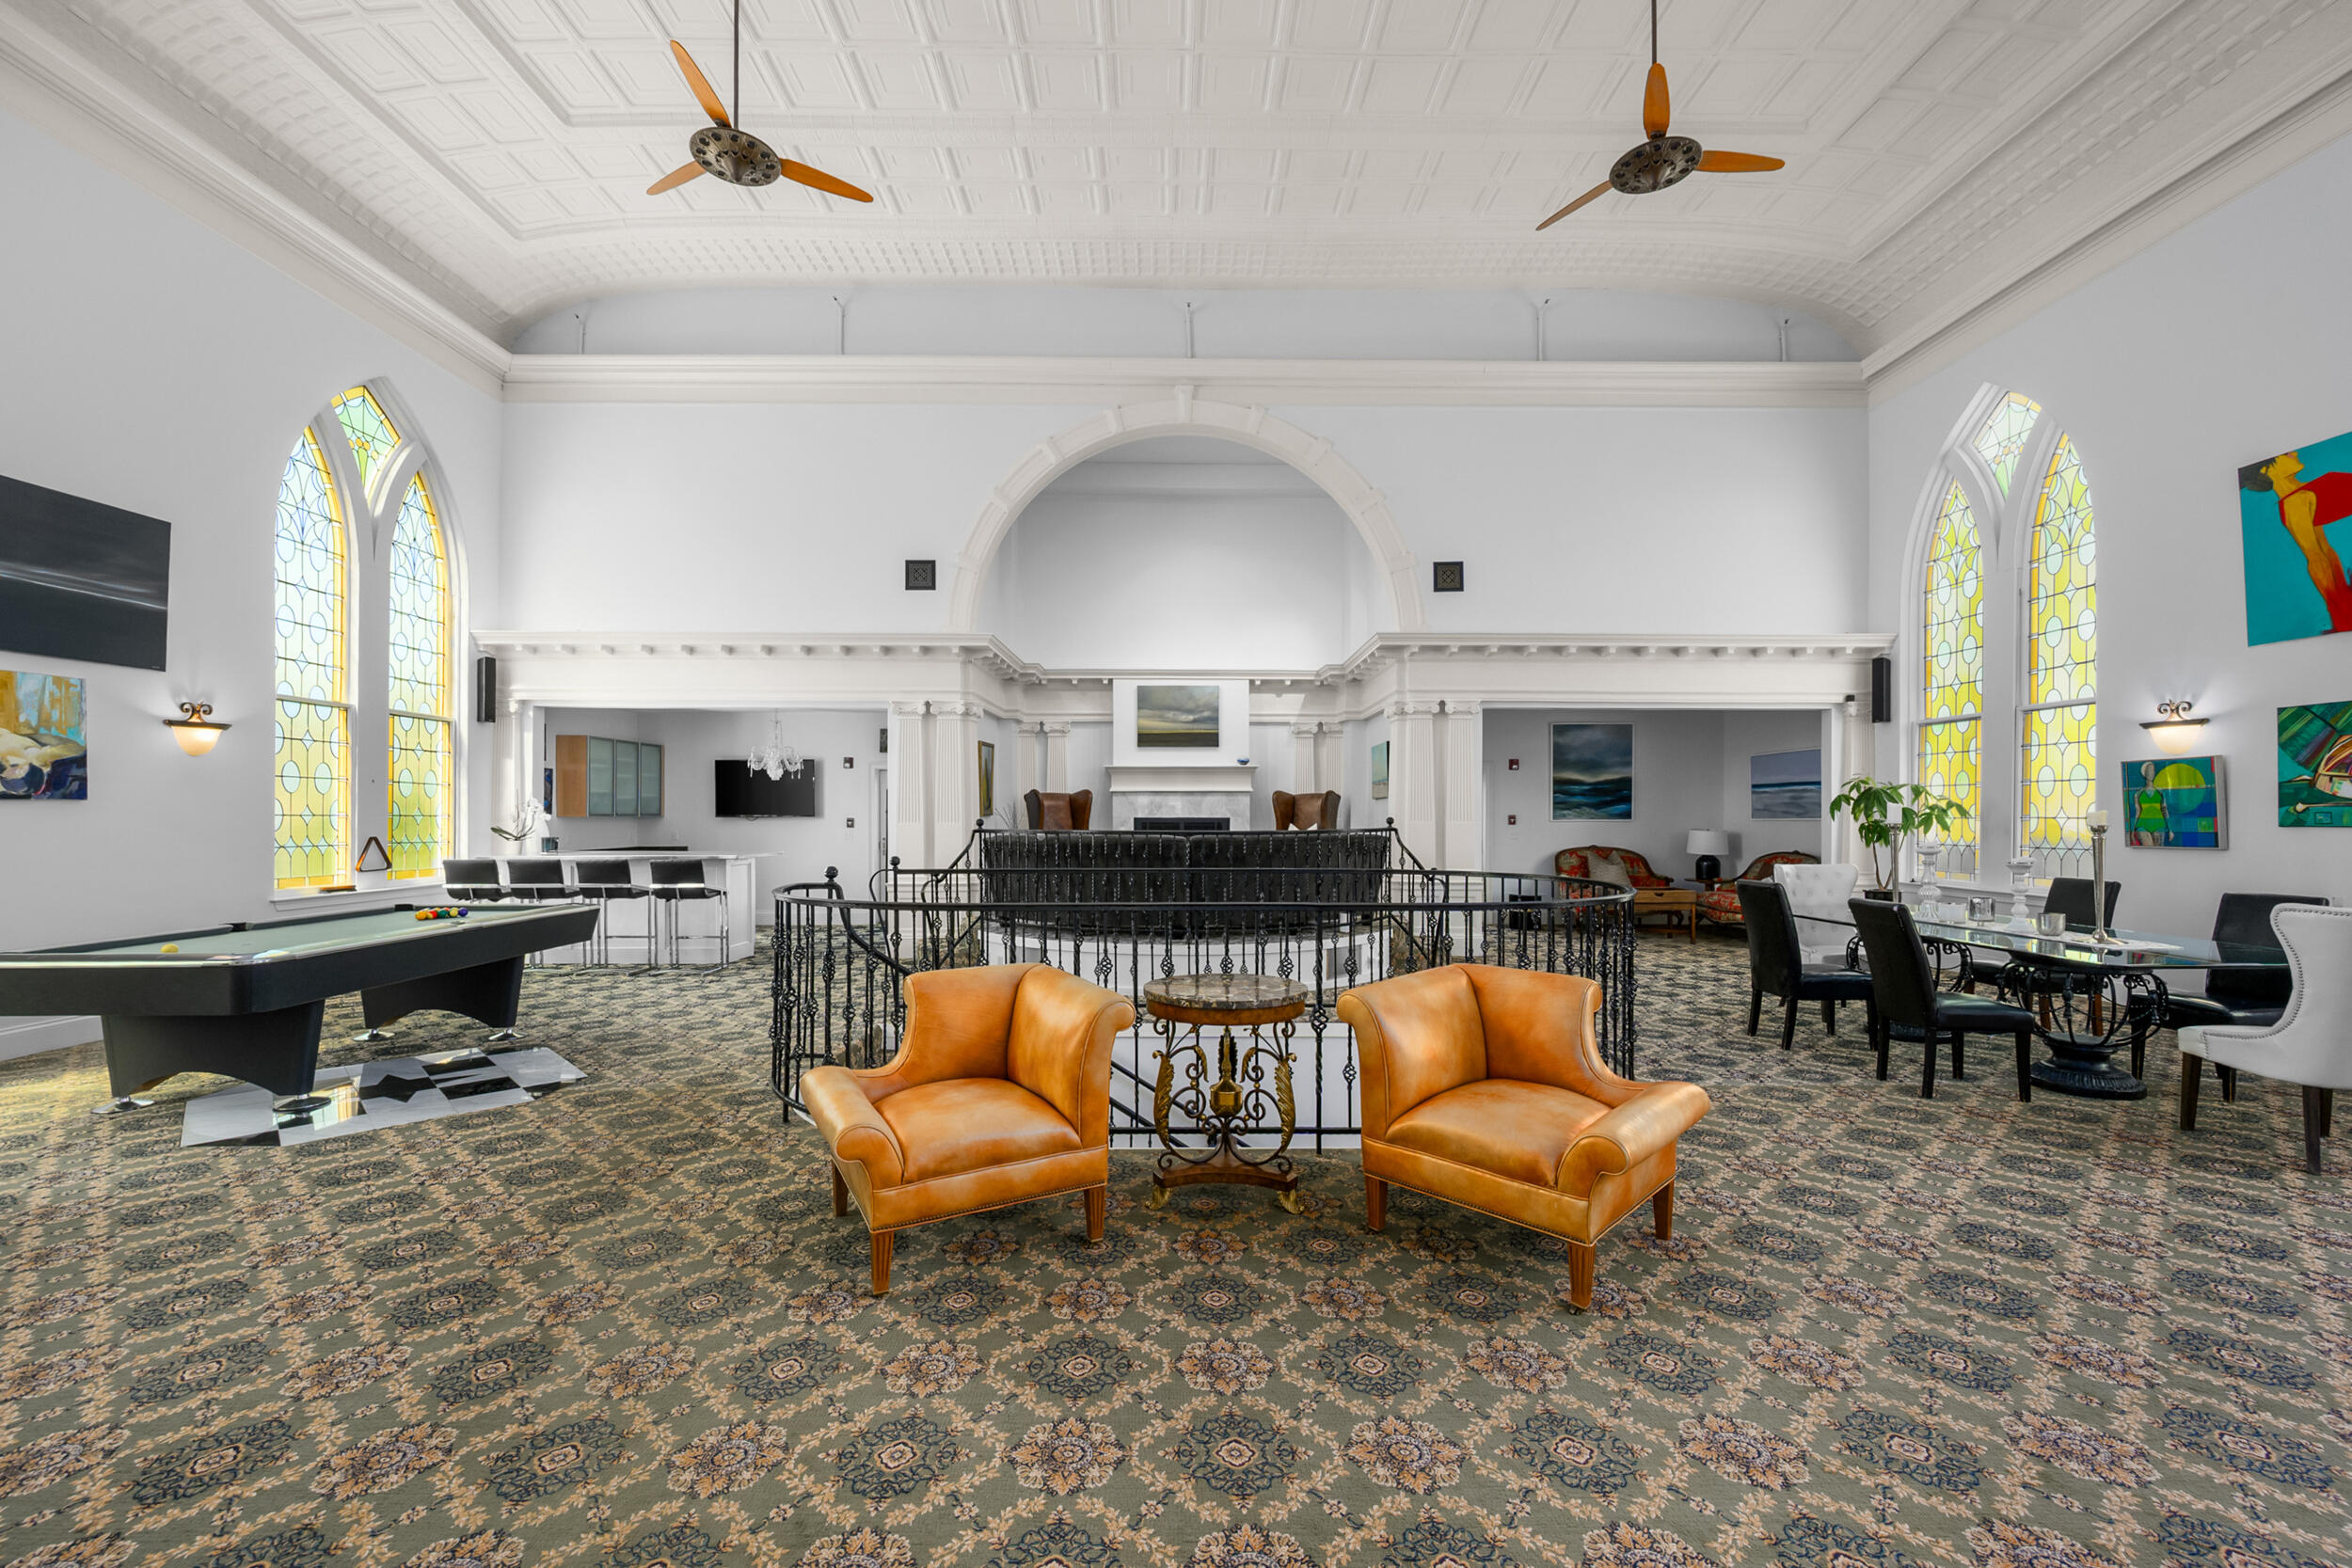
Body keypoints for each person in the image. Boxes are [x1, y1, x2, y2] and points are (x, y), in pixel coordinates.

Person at [2240, 449, 2352, 634]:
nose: (2294, 453)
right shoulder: (2294, 502)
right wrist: (2342, 609)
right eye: (2285, 454)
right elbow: (2317, 558)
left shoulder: (2304, 493)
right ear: (2265, 470)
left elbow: (2326, 552)